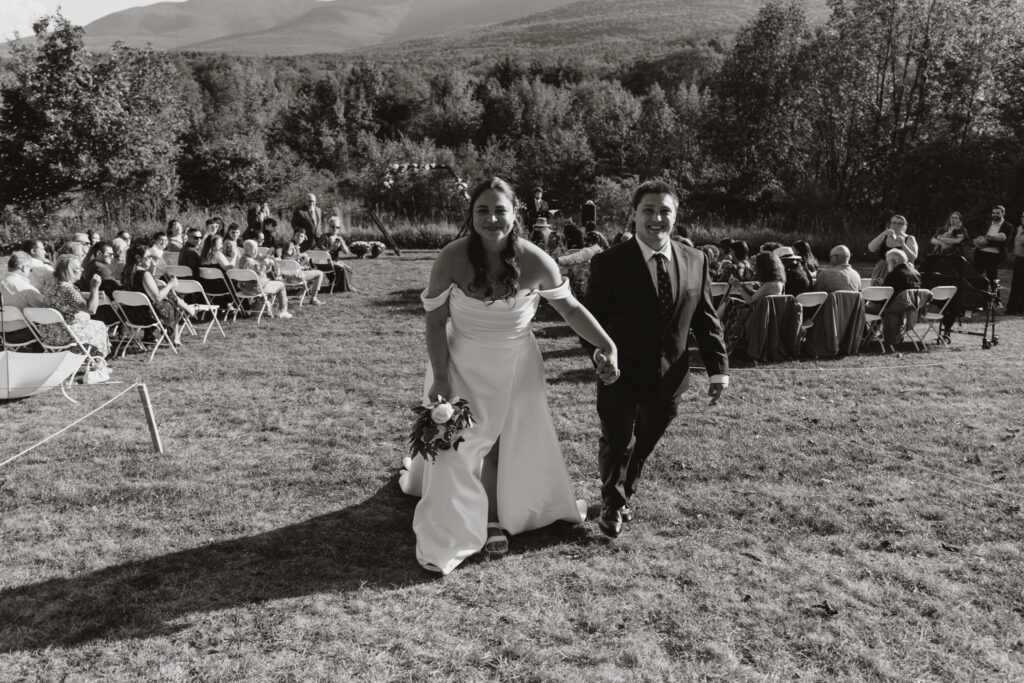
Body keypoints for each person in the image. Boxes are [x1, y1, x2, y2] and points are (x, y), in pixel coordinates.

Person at [398, 177, 618, 575]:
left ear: (515, 214)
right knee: (457, 445)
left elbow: (569, 309)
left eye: (500, 210)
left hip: (516, 364)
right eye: (482, 210)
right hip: (459, 361)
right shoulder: (451, 258)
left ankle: (494, 518)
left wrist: (607, 344)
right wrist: (441, 378)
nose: (491, 218)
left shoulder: (536, 260)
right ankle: (455, 526)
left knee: (502, 444)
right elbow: (435, 322)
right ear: (471, 215)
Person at [584, 180, 728, 538]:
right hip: (618, 373)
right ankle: (614, 506)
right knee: (619, 442)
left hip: (670, 376)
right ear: (634, 215)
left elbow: (706, 319)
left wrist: (718, 370)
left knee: (643, 444)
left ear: (675, 216)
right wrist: (601, 358)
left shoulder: (696, 260)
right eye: (648, 210)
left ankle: (621, 494)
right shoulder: (609, 262)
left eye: (664, 210)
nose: (656, 218)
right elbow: (592, 321)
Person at [33, 254, 110, 357]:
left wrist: (87, 295)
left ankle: (80, 358)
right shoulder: (68, 289)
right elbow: (91, 310)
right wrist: (94, 288)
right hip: (67, 334)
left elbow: (64, 299)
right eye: (78, 268)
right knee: (99, 325)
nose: (82, 269)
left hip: (49, 334)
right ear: (69, 270)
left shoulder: (51, 284)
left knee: (95, 324)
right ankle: (95, 361)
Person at [122, 241, 195, 344]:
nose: (151, 259)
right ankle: (175, 338)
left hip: (131, 315)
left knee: (165, 294)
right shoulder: (143, 274)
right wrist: (170, 284)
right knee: (170, 300)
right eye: (148, 257)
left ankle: (150, 336)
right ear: (138, 258)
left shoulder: (126, 273)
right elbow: (157, 297)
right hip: (146, 316)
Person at [874, 248, 923, 352]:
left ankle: (864, 336)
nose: (887, 265)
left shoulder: (894, 274)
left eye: (888, 262)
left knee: (864, 308)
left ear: (893, 261)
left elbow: (884, 298)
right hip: (911, 307)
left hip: (893, 309)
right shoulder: (916, 273)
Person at [868, 215, 918, 284]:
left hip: (902, 271)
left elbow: (912, 258)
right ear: (890, 224)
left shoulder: (909, 238)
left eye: (900, 223)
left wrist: (903, 244)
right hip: (882, 270)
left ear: (905, 226)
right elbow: (871, 248)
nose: (896, 225)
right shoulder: (884, 236)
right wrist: (884, 233)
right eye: (894, 223)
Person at [973, 205, 1014, 283]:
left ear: (1003, 213)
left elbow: (1003, 243)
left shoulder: (1008, 226)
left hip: (993, 255)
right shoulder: (987, 223)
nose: (995, 215)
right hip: (980, 253)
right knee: (976, 276)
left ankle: (995, 295)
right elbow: (980, 235)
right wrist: (977, 241)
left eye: (997, 213)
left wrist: (985, 242)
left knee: (992, 277)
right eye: (993, 213)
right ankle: (978, 294)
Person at [1006, 209, 1024, 315]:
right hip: (1019, 259)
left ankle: (1021, 308)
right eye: (1022, 216)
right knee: (1016, 283)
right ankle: (1012, 308)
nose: (1023, 219)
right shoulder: (1019, 228)